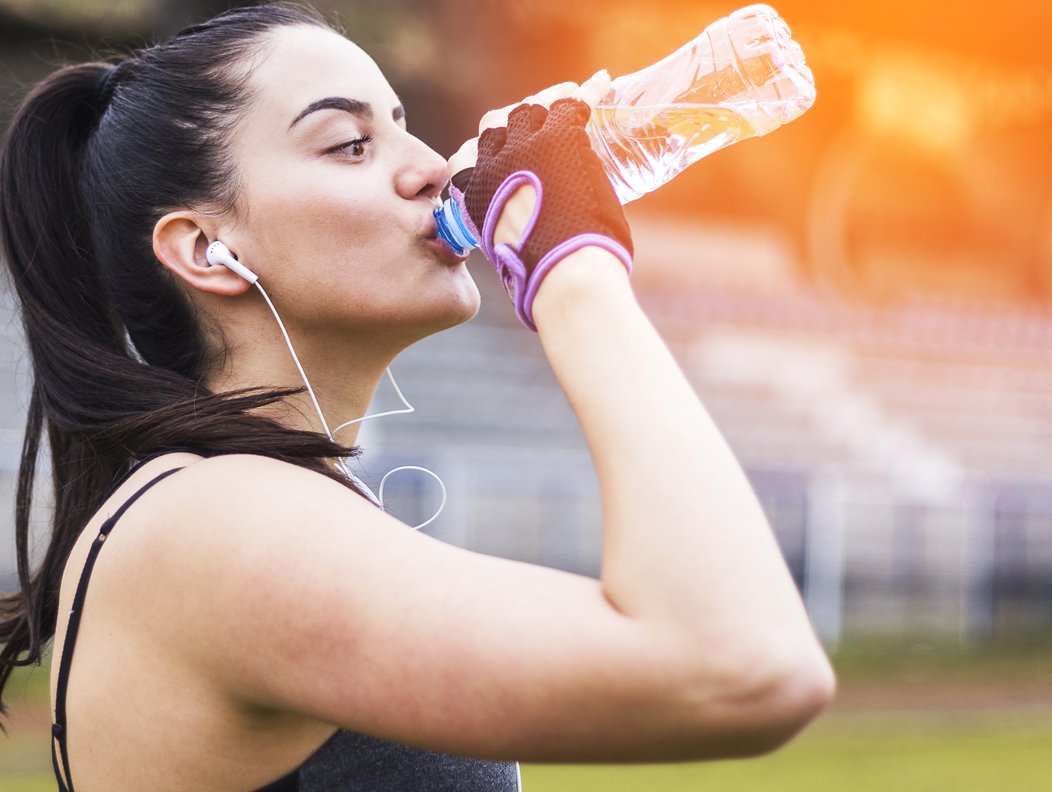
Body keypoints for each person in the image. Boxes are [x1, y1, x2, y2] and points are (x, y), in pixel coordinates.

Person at [0, 3, 835, 789]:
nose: (435, 168)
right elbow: (744, 665)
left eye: (401, 124)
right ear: (208, 251)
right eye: (349, 144)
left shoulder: (219, 505)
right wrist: (572, 266)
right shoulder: (214, 523)